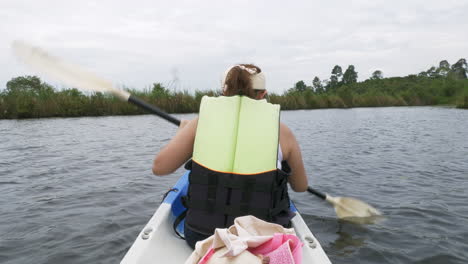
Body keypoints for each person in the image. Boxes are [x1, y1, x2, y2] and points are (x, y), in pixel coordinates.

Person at [152, 64, 308, 248]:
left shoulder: (200, 124)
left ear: (224, 92)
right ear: (262, 94)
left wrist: (184, 133)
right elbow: (300, 186)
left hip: (202, 238)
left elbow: (159, 168)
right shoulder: (283, 132)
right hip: (259, 242)